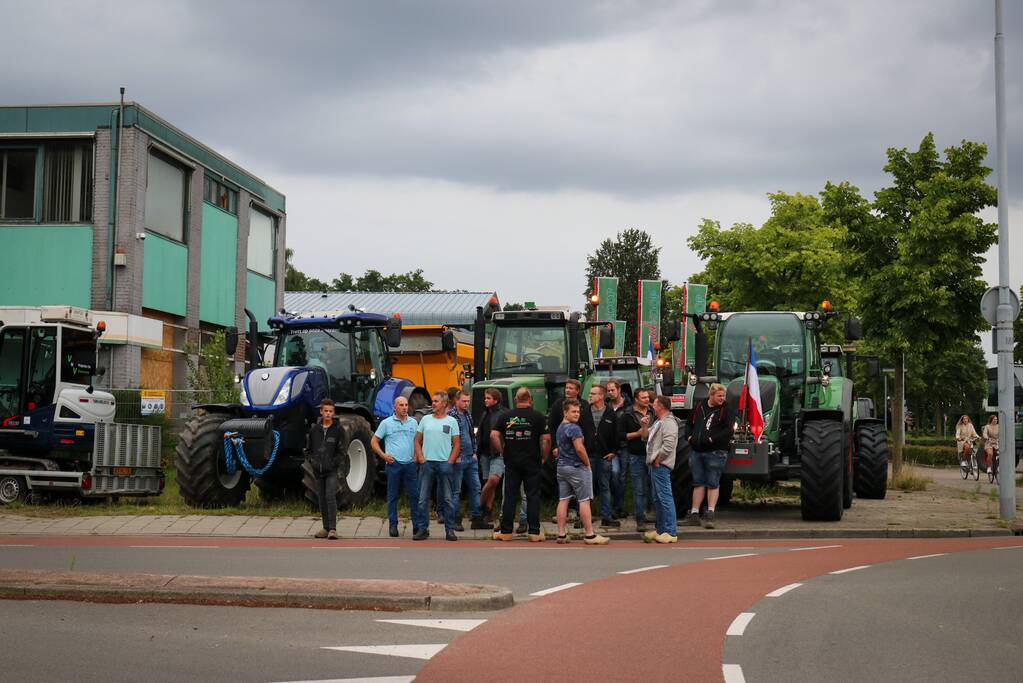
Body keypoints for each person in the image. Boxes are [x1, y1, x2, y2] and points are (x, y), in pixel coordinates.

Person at [491, 388, 551, 543]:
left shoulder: (506, 415)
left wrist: (502, 450)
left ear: (516, 399)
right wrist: (544, 456)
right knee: (532, 495)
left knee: (510, 496)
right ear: (530, 399)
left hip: (511, 461)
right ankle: (534, 532)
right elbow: (546, 439)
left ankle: (506, 532)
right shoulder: (537, 416)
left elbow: (494, 435)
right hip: (532, 461)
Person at [554, 398, 610, 545]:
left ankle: (561, 533)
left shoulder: (560, 427)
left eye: (578, 411)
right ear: (565, 412)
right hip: (576, 467)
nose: (577, 414)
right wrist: (587, 464)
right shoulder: (574, 428)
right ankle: (590, 534)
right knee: (584, 500)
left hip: (562, 467)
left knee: (563, 499)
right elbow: (579, 448)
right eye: (573, 411)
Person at [372, 396, 423, 538]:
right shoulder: (386, 423)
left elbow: (418, 440)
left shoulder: (413, 423)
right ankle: (393, 525)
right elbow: (374, 441)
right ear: (395, 407)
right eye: (401, 405)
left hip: (410, 464)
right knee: (393, 495)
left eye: (406, 405)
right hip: (394, 464)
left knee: (414, 495)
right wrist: (383, 456)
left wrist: (416, 456)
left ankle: (416, 526)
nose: (404, 407)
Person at [683, 383, 734, 529]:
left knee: (713, 482)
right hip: (697, 450)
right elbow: (688, 424)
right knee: (698, 482)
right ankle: (694, 514)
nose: (722, 398)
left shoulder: (727, 409)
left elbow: (729, 429)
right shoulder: (699, 406)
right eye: (719, 396)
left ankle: (710, 514)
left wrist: (713, 439)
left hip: (716, 451)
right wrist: (689, 437)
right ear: (711, 395)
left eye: (723, 396)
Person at [414, 391, 461, 541]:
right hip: (427, 464)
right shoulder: (425, 420)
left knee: (447, 499)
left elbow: (457, 444)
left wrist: (450, 461)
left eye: (436, 401)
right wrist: (421, 457)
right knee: (422, 499)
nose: (433, 404)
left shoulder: (452, 421)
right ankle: (423, 529)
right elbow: (417, 441)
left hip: (444, 464)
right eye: (433, 401)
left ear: (444, 404)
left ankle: (450, 530)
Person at [306, 398, 347, 540]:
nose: (328, 414)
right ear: (321, 412)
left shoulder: (338, 430)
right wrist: (313, 462)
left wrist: (333, 464)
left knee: (330, 496)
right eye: (326, 411)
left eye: (331, 411)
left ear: (333, 412)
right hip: (318, 470)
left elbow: (342, 451)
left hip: (331, 471)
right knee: (321, 498)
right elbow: (309, 449)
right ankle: (325, 527)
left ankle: (333, 529)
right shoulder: (314, 430)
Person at [448, 390, 487, 531]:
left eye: (468, 401)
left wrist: (475, 451)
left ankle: (476, 518)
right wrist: (454, 455)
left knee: (476, 488)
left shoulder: (467, 414)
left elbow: (471, 434)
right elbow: (449, 438)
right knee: (456, 490)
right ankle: (455, 519)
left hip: (470, 457)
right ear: (457, 401)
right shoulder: (451, 416)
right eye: (464, 401)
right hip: (459, 458)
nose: (466, 404)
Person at [586, 384, 620, 528]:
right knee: (587, 487)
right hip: (588, 456)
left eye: (593, 394)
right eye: (590, 393)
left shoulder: (611, 413)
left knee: (604, 486)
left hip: (604, 456)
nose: (590, 396)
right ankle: (585, 517)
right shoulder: (584, 412)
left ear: (601, 396)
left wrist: (614, 451)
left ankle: (606, 517)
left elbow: (617, 434)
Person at [645, 395, 679, 543]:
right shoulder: (660, 422)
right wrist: (644, 425)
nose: (652, 405)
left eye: (655, 404)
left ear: (661, 407)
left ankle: (671, 531)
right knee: (657, 499)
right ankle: (661, 529)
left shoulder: (669, 423)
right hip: (655, 465)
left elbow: (669, 445)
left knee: (665, 498)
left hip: (661, 465)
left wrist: (658, 459)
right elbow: (646, 437)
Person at [620, 388, 652, 531]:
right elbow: (621, 435)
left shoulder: (653, 412)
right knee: (639, 488)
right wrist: (637, 433)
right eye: (643, 398)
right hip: (636, 455)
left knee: (651, 487)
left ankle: (649, 513)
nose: (647, 400)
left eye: (647, 397)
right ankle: (640, 518)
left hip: (652, 455)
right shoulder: (627, 414)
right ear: (636, 400)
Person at [477, 388, 505, 524]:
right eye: (485, 398)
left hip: (497, 453)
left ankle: (478, 507)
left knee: (493, 480)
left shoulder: (502, 414)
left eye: (488, 398)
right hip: (484, 453)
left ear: (496, 400)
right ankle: (487, 511)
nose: (485, 400)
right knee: (488, 482)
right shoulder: (485, 414)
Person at [605, 378, 631, 518]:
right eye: (608, 390)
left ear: (619, 390)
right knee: (614, 474)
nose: (610, 393)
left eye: (612, 390)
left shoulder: (628, 405)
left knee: (622, 476)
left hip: (625, 445)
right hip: (611, 447)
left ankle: (618, 507)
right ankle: (614, 505)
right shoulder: (606, 406)